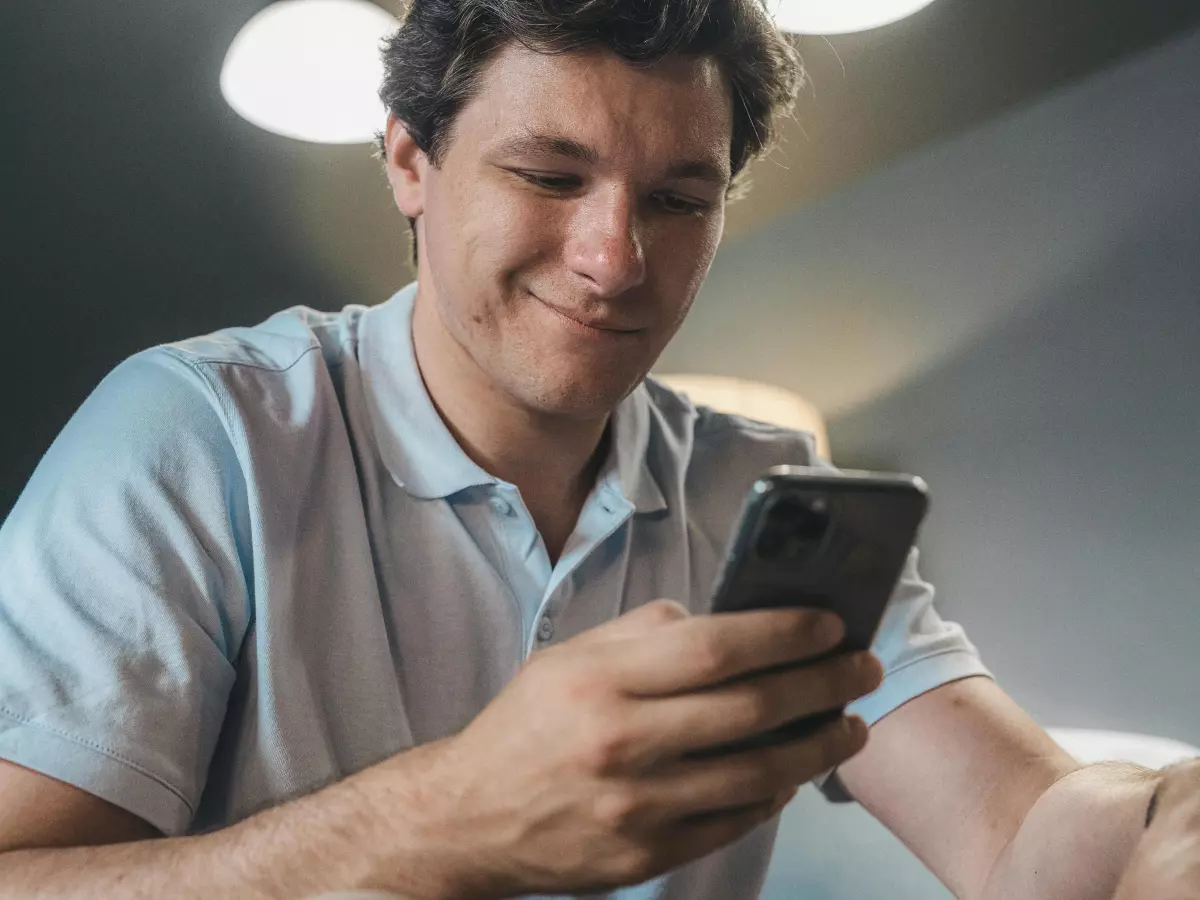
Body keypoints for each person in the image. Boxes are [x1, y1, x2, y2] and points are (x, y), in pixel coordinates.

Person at [0, 0, 1192, 897]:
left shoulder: (769, 492)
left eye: (679, 200)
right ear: (410, 162)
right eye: (548, 175)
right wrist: (445, 816)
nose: (615, 259)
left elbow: (1027, 829)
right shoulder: (196, 433)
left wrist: (1158, 824)